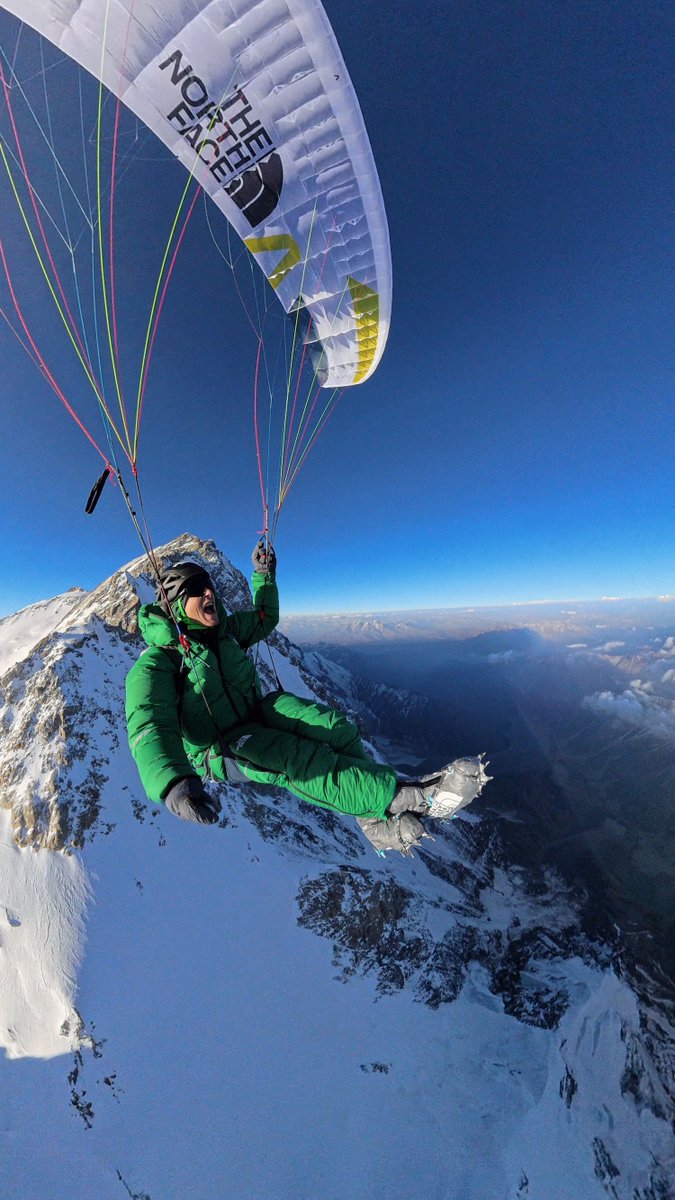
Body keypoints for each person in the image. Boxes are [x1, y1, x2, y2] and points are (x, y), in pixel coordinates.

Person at [125, 545, 490, 855]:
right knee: (291, 756)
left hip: (258, 713)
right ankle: (409, 797)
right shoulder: (159, 661)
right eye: (195, 590)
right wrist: (173, 783)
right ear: (174, 606)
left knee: (335, 727)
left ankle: (371, 818)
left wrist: (264, 577)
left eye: (208, 586)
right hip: (220, 748)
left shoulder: (228, 633)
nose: (208, 594)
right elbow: (148, 723)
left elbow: (265, 619)